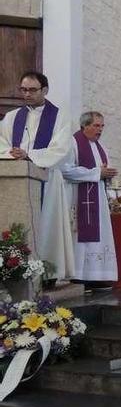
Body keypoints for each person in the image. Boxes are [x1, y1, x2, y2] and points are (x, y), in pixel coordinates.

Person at [0, 71, 74, 280]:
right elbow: (2, 143)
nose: (27, 94)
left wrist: (29, 155)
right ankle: (20, 272)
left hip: (48, 180)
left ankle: (49, 273)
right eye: (23, 89)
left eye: (32, 90)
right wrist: (13, 154)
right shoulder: (12, 117)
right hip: (19, 181)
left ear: (45, 90)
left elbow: (62, 149)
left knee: (48, 227)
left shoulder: (59, 117)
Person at [61, 112, 118, 286]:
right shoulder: (72, 143)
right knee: (79, 236)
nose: (100, 129)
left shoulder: (101, 147)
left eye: (102, 126)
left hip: (98, 199)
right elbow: (65, 170)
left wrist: (107, 175)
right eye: (96, 125)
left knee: (100, 236)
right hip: (77, 198)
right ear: (84, 125)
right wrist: (97, 173)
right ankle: (79, 275)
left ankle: (98, 276)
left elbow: (101, 172)